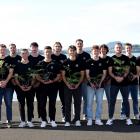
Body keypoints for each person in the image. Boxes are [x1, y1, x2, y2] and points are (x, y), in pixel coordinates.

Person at [106, 42, 132, 125]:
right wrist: (116, 77)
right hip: (114, 83)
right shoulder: (111, 59)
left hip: (125, 83)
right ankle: (110, 118)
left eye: (120, 47)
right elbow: (110, 71)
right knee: (112, 101)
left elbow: (127, 70)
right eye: (117, 47)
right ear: (114, 49)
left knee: (126, 101)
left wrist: (123, 77)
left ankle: (128, 119)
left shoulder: (126, 58)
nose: (118, 49)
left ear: (122, 48)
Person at [36, 46, 61, 128]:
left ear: (51, 52)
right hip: (42, 87)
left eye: (49, 52)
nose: (48, 53)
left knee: (52, 104)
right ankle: (44, 120)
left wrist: (52, 81)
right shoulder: (40, 63)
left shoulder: (55, 63)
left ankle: (52, 120)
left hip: (53, 87)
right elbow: (36, 75)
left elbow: (58, 75)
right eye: (46, 52)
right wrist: (41, 80)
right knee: (42, 104)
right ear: (44, 52)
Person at [62, 45, 84, 127]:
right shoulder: (65, 62)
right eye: (70, 50)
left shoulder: (80, 62)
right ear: (68, 51)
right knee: (67, 103)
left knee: (77, 103)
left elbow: (82, 75)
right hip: (67, 86)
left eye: (73, 50)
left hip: (78, 86)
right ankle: (67, 121)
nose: (72, 52)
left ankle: (77, 120)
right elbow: (63, 75)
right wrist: (68, 84)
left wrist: (78, 84)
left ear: (75, 51)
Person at [86, 45, 107, 126]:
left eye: (97, 51)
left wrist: (100, 83)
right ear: (92, 52)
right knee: (89, 103)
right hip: (90, 86)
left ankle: (98, 119)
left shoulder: (102, 62)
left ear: (99, 52)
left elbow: (104, 74)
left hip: (100, 86)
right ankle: (90, 119)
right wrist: (91, 83)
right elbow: (87, 75)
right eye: (94, 51)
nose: (96, 52)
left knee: (99, 103)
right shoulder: (88, 61)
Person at [15, 49, 35, 128]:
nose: (24, 55)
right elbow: (16, 77)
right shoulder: (17, 65)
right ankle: (22, 121)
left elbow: (34, 77)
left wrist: (30, 86)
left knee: (30, 104)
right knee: (21, 104)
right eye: (23, 53)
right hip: (20, 88)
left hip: (30, 88)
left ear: (28, 54)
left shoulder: (32, 64)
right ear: (21, 55)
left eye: (26, 53)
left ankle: (29, 121)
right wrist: (20, 86)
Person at [120, 43, 139, 120]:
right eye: (127, 48)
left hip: (134, 82)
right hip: (124, 83)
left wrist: (136, 76)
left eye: (129, 48)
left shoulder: (135, 59)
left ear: (132, 49)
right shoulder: (122, 58)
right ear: (125, 49)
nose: (128, 49)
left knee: (135, 99)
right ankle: (123, 114)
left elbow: (138, 71)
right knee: (124, 99)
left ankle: (136, 113)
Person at [75, 39, 91, 121]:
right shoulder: (73, 54)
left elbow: (89, 68)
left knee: (86, 99)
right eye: (78, 44)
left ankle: (85, 114)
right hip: (75, 81)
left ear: (82, 45)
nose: (79, 45)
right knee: (76, 99)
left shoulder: (87, 55)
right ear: (76, 44)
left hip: (85, 81)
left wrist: (86, 79)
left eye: (81, 44)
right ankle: (75, 115)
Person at [51, 42, 67, 122]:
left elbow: (65, 68)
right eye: (56, 46)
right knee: (52, 101)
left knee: (63, 100)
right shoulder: (51, 56)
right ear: (53, 48)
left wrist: (61, 77)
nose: (57, 48)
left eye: (59, 46)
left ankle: (64, 116)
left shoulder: (64, 57)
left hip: (62, 81)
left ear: (61, 48)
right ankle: (52, 118)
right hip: (53, 82)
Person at [28, 42, 44, 120]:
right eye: (32, 48)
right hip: (30, 83)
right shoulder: (28, 58)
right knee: (30, 101)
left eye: (35, 48)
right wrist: (31, 83)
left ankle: (41, 116)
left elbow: (43, 72)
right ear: (30, 48)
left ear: (37, 48)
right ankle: (30, 116)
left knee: (40, 101)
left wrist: (38, 82)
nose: (34, 49)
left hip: (40, 84)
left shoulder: (41, 58)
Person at [0, 44, 14, 127]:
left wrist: (5, 81)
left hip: (8, 86)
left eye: (4, 50)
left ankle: (9, 121)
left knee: (8, 104)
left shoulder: (9, 59)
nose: (2, 51)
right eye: (1, 49)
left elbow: (11, 72)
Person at [99, 44, 111, 113]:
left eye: (104, 49)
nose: (103, 50)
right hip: (98, 82)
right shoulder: (97, 58)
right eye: (101, 49)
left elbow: (111, 71)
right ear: (99, 50)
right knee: (99, 100)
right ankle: (98, 116)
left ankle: (110, 115)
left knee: (109, 99)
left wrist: (109, 80)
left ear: (107, 50)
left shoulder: (109, 59)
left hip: (108, 82)